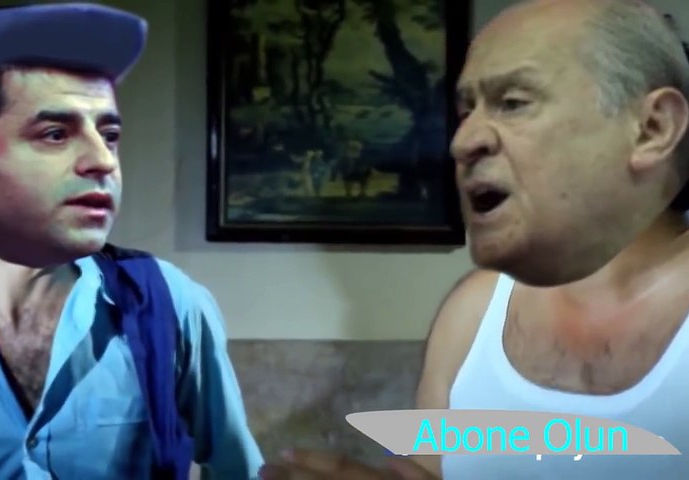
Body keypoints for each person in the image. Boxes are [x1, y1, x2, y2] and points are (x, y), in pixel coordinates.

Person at [260, 0, 689, 478]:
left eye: (513, 103)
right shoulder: (473, 314)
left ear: (652, 129)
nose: (462, 142)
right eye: (466, 111)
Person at [0, 4, 263, 479]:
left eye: (110, 134)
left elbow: (237, 469)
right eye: (55, 134)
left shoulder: (170, 303)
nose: (103, 161)